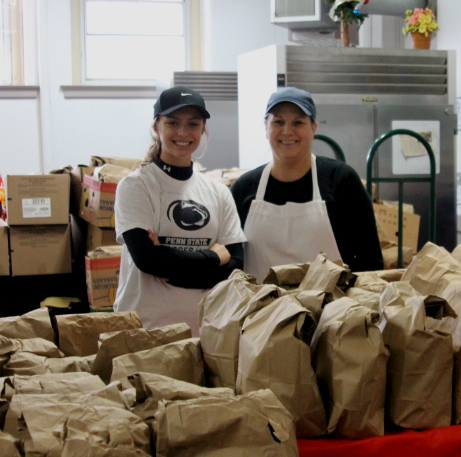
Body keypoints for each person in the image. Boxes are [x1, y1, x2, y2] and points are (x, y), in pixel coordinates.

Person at [113, 86, 246, 334]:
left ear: (202, 129)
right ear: (157, 127)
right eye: (173, 122)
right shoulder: (136, 186)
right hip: (145, 330)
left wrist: (172, 270)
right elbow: (148, 261)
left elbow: (235, 267)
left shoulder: (218, 193)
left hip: (206, 331)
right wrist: (214, 257)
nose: (183, 132)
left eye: (193, 124)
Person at [231, 87, 383, 282]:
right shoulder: (244, 188)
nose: (287, 131)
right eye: (278, 122)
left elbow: (370, 261)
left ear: (313, 128)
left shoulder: (341, 180)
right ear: (266, 128)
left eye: (298, 122)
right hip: (260, 309)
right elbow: (233, 263)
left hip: (330, 309)